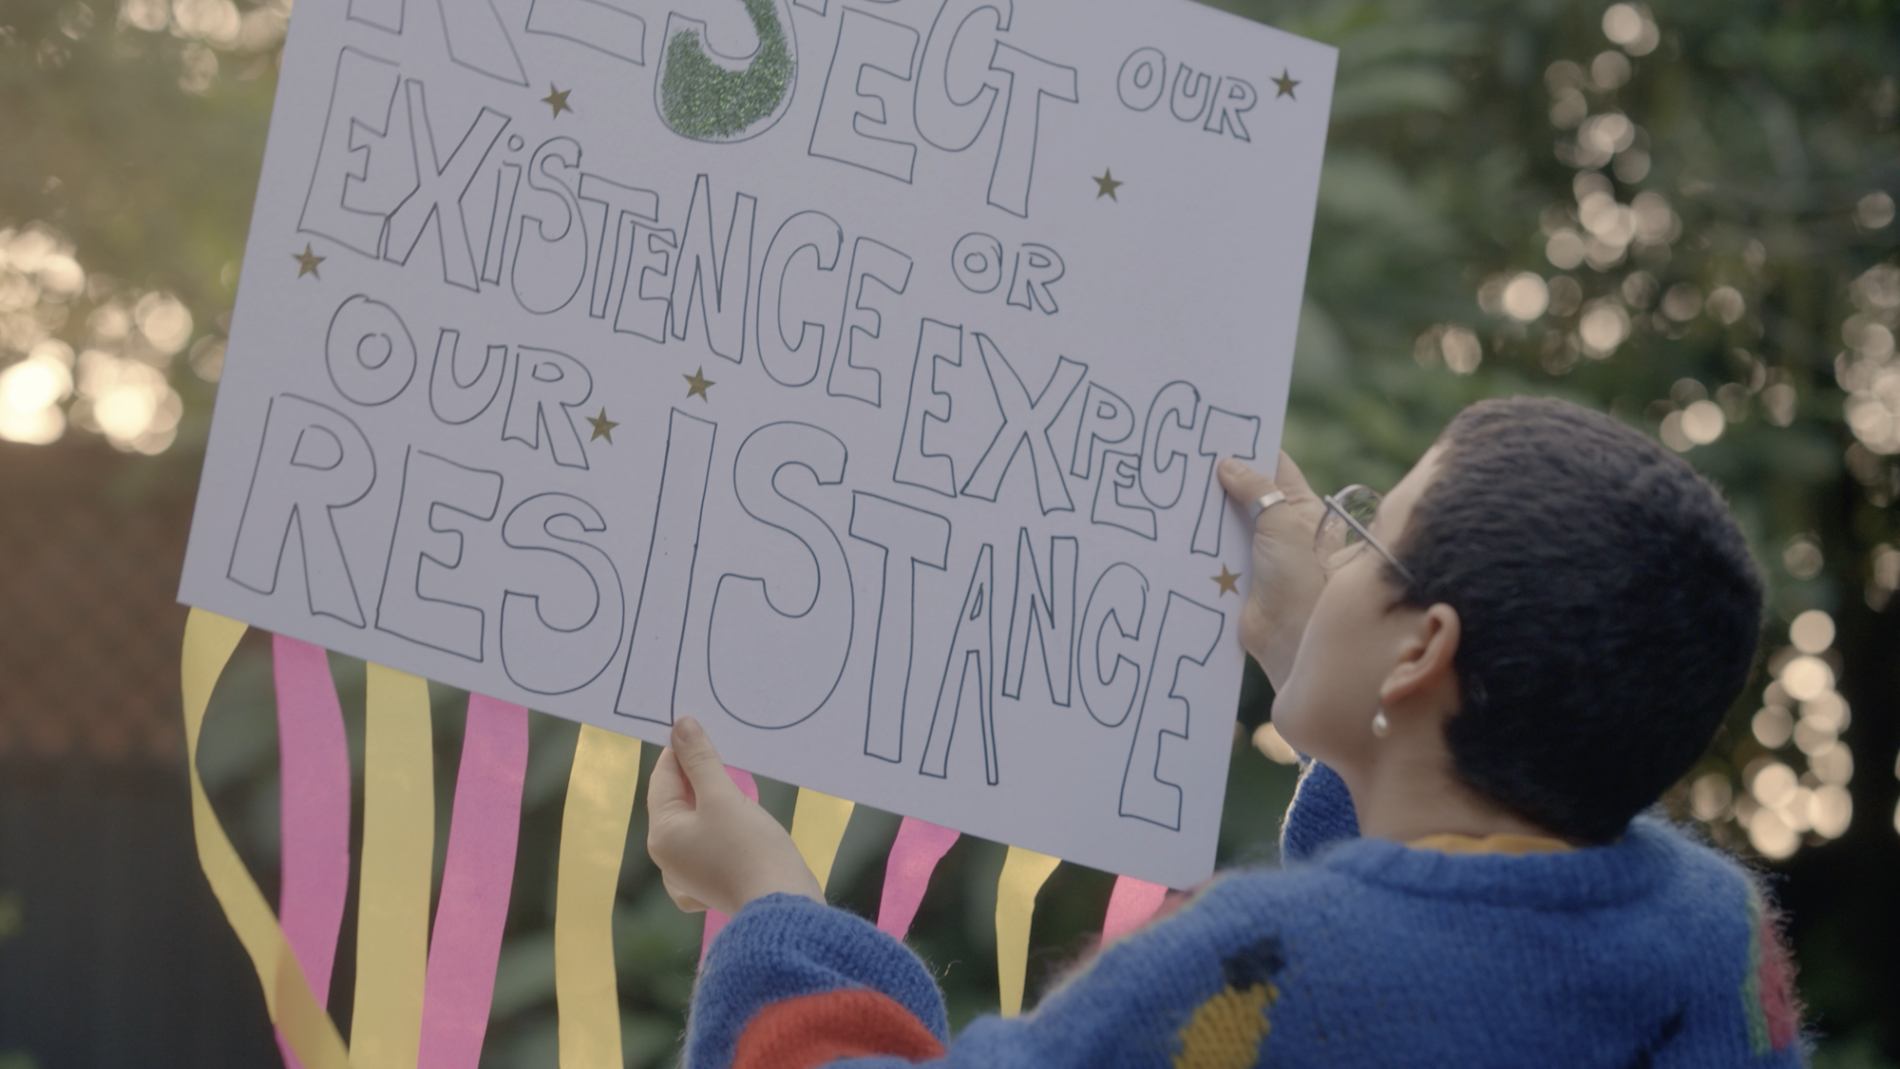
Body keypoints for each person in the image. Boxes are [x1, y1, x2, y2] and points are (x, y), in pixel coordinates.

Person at [646, 396, 1806, 1068]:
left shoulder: (1260, 960)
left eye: (1367, 536)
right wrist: (1350, 708)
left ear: (1422, 649)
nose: (1335, 550)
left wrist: (773, 917)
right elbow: (1481, 917)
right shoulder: (1712, 931)